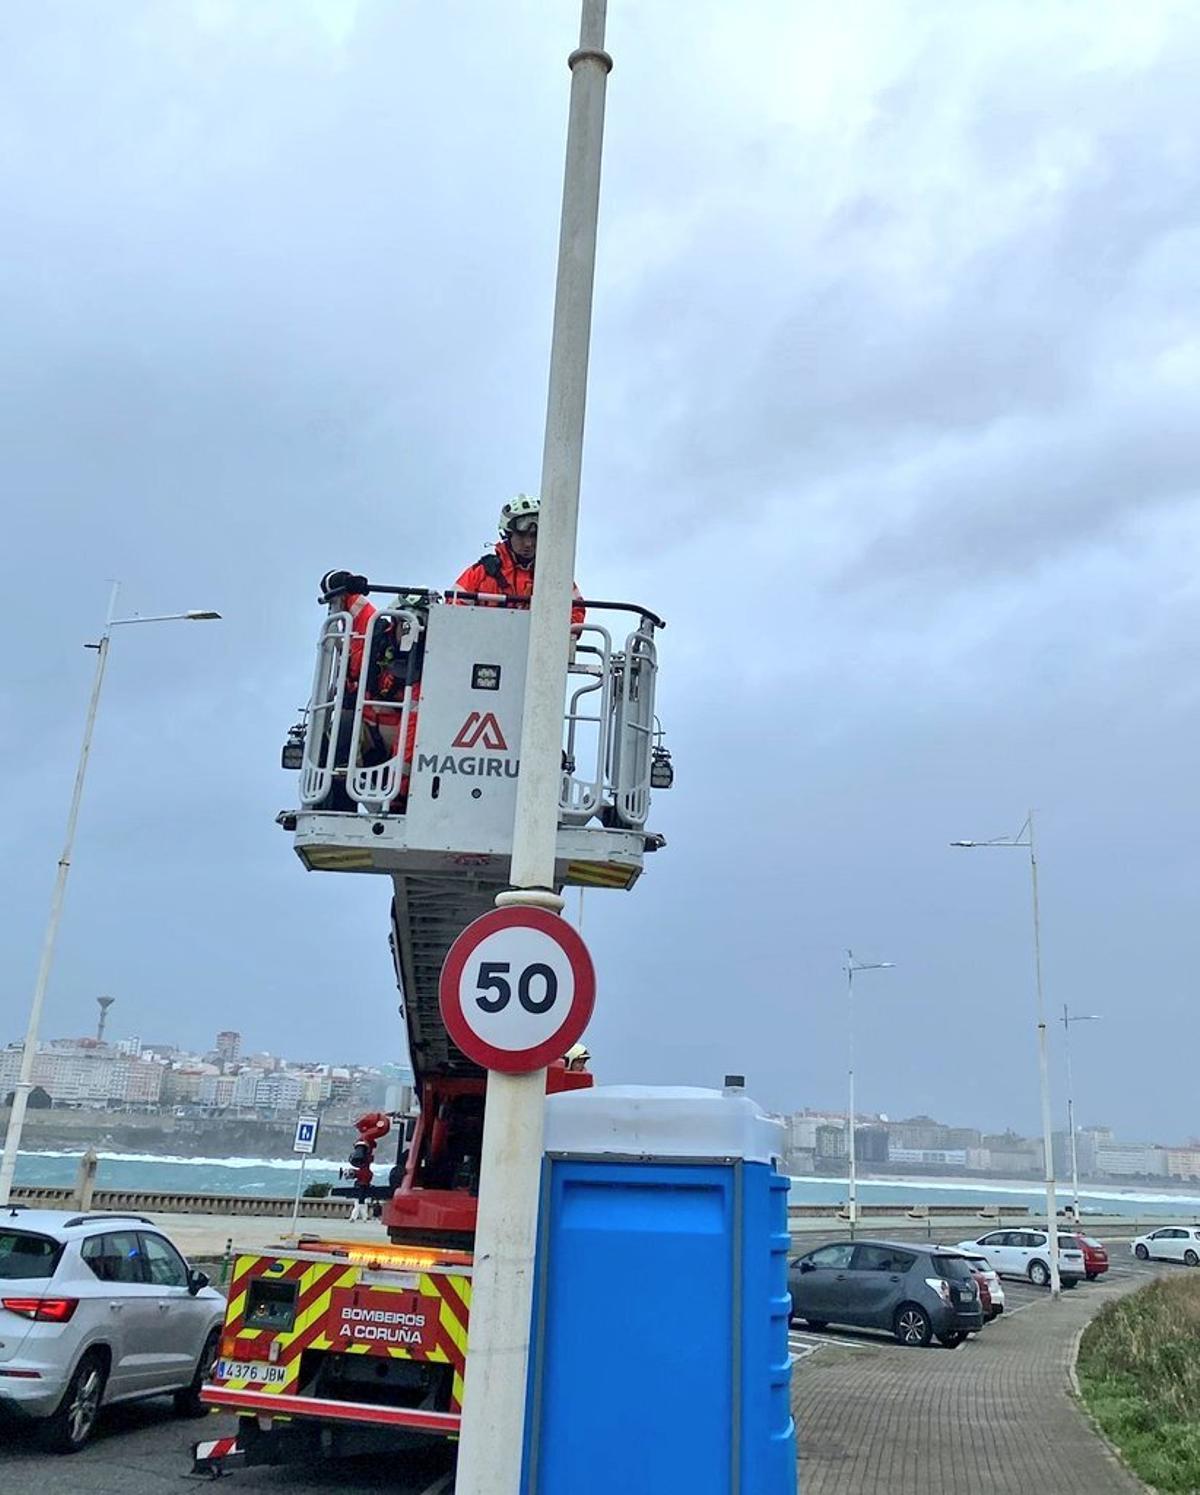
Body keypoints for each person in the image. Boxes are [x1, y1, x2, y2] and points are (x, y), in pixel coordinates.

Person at [316, 570, 420, 811]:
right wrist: (344, 581)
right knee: (341, 729)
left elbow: (411, 739)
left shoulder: (431, 668)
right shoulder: (371, 635)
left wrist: (398, 794)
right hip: (366, 732)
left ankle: (400, 801)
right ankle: (337, 807)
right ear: (394, 621)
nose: (411, 634)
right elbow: (336, 589)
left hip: (405, 743)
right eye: (406, 625)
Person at [453, 494, 586, 629]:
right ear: (508, 534)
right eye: (521, 535)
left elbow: (576, 614)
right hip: (482, 647)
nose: (528, 543)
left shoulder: (555, 576)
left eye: (534, 535)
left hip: (539, 649)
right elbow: (452, 610)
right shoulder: (481, 573)